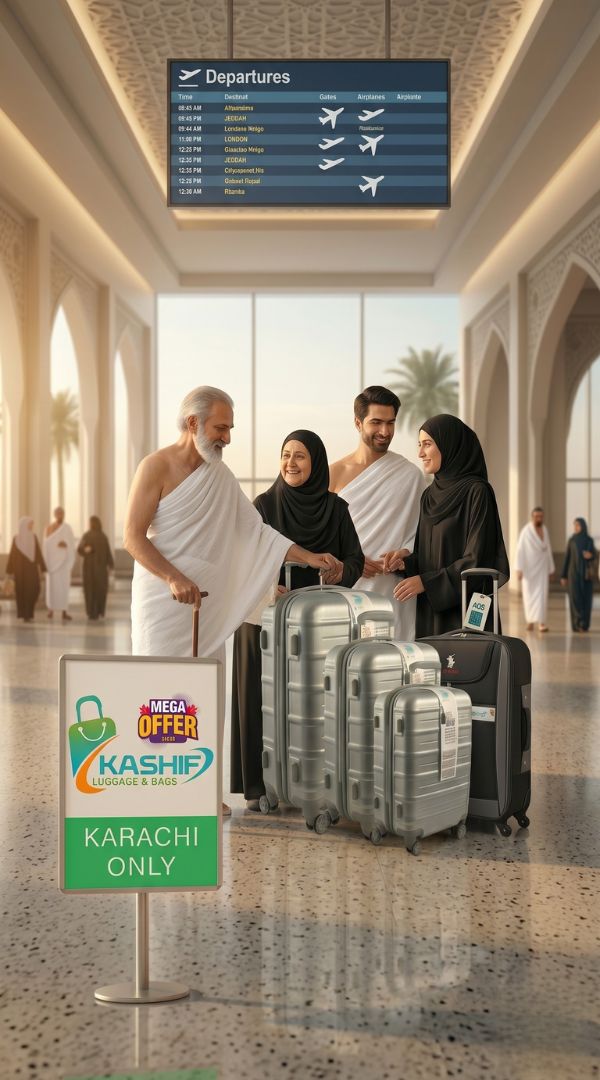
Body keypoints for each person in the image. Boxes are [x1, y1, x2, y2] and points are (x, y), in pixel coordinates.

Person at [124, 387, 342, 816]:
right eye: (221, 427)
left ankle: (200, 793)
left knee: (204, 695)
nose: (227, 437)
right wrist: (173, 577)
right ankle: (158, 791)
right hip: (163, 604)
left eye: (229, 429)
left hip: (207, 607)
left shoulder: (220, 477)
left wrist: (308, 556)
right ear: (193, 424)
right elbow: (132, 537)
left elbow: (256, 532)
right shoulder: (156, 467)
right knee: (161, 696)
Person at [231, 430, 364, 810]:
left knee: (314, 702)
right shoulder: (264, 506)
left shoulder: (336, 509)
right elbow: (243, 561)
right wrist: (268, 585)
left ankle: (312, 782)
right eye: (285, 454)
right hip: (264, 620)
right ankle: (258, 785)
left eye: (300, 456)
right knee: (260, 697)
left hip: (317, 624)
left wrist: (340, 571)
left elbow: (355, 560)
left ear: (317, 462)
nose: (290, 463)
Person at [382, 414, 510, 636]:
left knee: (465, 667)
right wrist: (407, 564)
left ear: (450, 445)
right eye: (419, 445)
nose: (420, 453)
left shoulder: (477, 492)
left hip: (466, 610)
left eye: (428, 444)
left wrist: (427, 583)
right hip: (430, 612)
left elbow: (479, 560)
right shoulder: (429, 496)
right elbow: (428, 556)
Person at [329, 385, 426, 640]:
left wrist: (405, 552)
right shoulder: (333, 474)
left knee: (390, 668)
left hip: (393, 589)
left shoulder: (410, 475)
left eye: (391, 423)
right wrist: (351, 562)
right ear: (358, 423)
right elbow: (321, 535)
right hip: (347, 588)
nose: (385, 432)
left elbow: (422, 531)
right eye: (377, 422)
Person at [515, 507, 555, 632]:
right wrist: (519, 569)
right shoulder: (526, 531)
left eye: (541, 516)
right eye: (537, 516)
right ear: (532, 517)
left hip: (542, 567)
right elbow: (520, 550)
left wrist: (551, 568)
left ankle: (541, 623)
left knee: (542, 595)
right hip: (529, 569)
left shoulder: (545, 530)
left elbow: (548, 549)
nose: (539, 519)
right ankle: (530, 621)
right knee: (529, 595)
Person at [6, 517, 47, 622]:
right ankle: (24, 614)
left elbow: (37, 553)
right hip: (19, 570)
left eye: (32, 524)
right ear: (24, 525)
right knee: (21, 592)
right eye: (30, 524)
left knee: (35, 589)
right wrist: (9, 571)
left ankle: (29, 612)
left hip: (31, 569)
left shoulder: (33, 537)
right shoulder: (16, 539)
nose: (31, 526)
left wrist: (42, 567)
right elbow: (12, 555)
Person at [560, 518, 597, 632]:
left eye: (578, 525)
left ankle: (584, 624)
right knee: (575, 600)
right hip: (573, 575)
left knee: (586, 600)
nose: (575, 528)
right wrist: (563, 575)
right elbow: (567, 558)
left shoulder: (589, 540)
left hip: (586, 576)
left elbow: (595, 555)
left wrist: (590, 555)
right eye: (574, 525)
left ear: (583, 526)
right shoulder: (572, 540)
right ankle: (577, 624)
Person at [77, 517, 114, 620]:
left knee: (90, 590)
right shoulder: (103, 536)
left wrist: (85, 550)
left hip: (89, 569)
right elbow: (108, 553)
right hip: (101, 570)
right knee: (100, 590)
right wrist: (111, 565)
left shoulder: (87, 536)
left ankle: (91, 612)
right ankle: (98, 611)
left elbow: (79, 550)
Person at [43, 506, 76, 621]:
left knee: (63, 588)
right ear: (54, 514)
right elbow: (46, 544)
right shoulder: (49, 528)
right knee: (51, 587)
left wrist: (65, 544)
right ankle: (50, 610)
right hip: (52, 564)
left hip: (64, 564)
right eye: (58, 513)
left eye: (62, 513)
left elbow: (71, 544)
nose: (60, 515)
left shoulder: (67, 528)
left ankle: (64, 612)